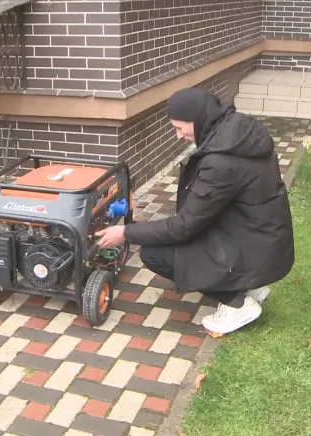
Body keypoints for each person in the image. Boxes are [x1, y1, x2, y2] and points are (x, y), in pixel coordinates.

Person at [95, 87, 295, 335]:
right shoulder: (236, 133)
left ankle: (238, 303)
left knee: (156, 254)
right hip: (262, 240)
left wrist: (126, 232)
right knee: (181, 239)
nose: (178, 136)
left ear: (199, 119)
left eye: (180, 128)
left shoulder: (223, 161)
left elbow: (183, 226)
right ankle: (250, 286)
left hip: (255, 246)